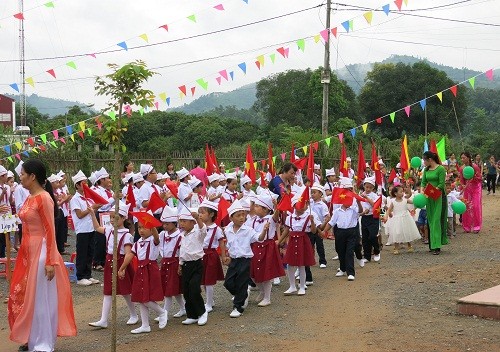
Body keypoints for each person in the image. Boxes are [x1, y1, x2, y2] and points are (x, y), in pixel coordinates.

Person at [8, 159, 76, 352]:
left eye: (22, 174)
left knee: (39, 298)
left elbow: (50, 231)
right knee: (25, 295)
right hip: (27, 251)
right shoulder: (30, 198)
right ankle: (32, 337)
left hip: (42, 250)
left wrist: (51, 260)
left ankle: (43, 342)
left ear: (32, 176)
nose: (20, 177)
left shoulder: (44, 198)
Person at [88, 202, 138, 328]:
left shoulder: (126, 235)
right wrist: (92, 215)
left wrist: (122, 268)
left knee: (126, 291)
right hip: (110, 262)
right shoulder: (109, 231)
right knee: (108, 291)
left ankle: (134, 314)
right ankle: (103, 319)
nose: (111, 220)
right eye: (110, 217)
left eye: (114, 217)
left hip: (121, 263)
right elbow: (97, 228)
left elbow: (128, 254)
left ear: (123, 218)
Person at [223, 200, 268, 317]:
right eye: (238, 215)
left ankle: (238, 307)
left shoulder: (248, 230)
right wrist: (227, 256)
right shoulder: (228, 230)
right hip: (234, 260)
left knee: (241, 282)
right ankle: (242, 295)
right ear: (231, 217)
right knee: (228, 283)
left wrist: (264, 230)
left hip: (245, 260)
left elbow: (259, 238)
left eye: (243, 215)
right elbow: (229, 245)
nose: (242, 218)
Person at [128, 214, 167, 334]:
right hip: (140, 269)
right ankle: (145, 324)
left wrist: (152, 225)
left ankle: (161, 312)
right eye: (139, 228)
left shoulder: (153, 240)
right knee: (141, 297)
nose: (141, 230)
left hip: (150, 268)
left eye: (145, 227)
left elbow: (156, 237)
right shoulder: (138, 242)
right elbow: (130, 254)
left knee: (146, 298)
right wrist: (122, 268)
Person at [278, 193, 319, 296]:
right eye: (300, 204)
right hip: (292, 240)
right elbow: (287, 230)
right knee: (290, 264)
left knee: (301, 264)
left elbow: (313, 232)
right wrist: (279, 241)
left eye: (305, 204)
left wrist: (312, 222)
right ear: (294, 205)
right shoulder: (290, 217)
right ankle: (292, 286)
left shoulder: (308, 217)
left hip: (303, 240)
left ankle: (302, 286)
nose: (303, 206)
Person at [250, 195, 285, 306]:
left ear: (265, 209)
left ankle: (267, 297)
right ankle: (262, 291)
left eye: (257, 206)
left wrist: (276, 205)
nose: (254, 208)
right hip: (256, 246)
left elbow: (276, 214)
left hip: (267, 247)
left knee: (266, 273)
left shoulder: (270, 218)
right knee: (254, 273)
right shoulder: (253, 220)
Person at [178, 207, 209, 326]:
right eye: (181, 221)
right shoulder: (183, 235)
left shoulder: (197, 232)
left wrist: (197, 218)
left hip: (196, 264)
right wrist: (180, 265)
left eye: (184, 221)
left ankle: (202, 312)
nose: (182, 224)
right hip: (185, 264)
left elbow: (203, 230)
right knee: (186, 290)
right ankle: (192, 314)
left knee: (194, 288)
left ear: (192, 222)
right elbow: (182, 251)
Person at [70, 170, 101, 286]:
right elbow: (79, 215)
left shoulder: (88, 197)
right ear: (77, 185)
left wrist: (96, 207)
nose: (86, 185)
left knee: (90, 252)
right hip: (82, 229)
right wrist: (91, 208)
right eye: (83, 183)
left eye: (86, 182)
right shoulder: (75, 199)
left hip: (91, 227)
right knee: (82, 253)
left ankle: (88, 275)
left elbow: (92, 212)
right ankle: (80, 276)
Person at [323, 194, 363, 281]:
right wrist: (324, 231)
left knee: (349, 252)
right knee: (340, 251)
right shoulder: (337, 211)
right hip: (340, 232)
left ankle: (351, 273)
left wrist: (359, 202)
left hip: (351, 232)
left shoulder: (353, 210)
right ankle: (342, 268)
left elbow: (360, 210)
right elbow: (331, 222)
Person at [198, 200, 226, 313]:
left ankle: (209, 303)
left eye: (202, 212)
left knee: (209, 280)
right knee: (204, 280)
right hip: (200, 255)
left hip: (211, 255)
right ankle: (210, 301)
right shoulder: (199, 227)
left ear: (211, 214)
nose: (200, 215)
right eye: (199, 212)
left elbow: (221, 243)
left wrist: (223, 256)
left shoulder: (216, 229)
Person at [158, 206, 186, 319]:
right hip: (165, 263)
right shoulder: (162, 235)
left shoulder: (180, 236)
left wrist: (180, 265)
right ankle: (183, 308)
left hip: (175, 263)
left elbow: (182, 252)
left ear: (175, 223)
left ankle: (164, 313)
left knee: (170, 290)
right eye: (163, 223)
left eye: (167, 224)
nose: (164, 226)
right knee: (172, 289)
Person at [421, 151, 448, 254]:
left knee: (436, 220)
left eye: (424, 160)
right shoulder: (426, 170)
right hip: (429, 198)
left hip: (439, 197)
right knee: (430, 220)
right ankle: (432, 245)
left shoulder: (440, 169)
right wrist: (422, 192)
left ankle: (437, 246)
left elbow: (441, 184)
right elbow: (423, 182)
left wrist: (433, 191)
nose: (424, 162)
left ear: (430, 159)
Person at [384, 185, 420, 254]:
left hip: (406, 217)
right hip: (397, 219)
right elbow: (389, 210)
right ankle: (396, 247)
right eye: (401, 192)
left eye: (403, 191)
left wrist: (418, 200)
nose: (402, 193)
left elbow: (413, 202)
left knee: (407, 231)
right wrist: (386, 216)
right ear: (395, 193)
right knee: (397, 233)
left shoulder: (405, 200)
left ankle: (409, 245)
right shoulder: (393, 202)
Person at [459, 152, 482, 233]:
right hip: (467, 189)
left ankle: (477, 226)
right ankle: (466, 226)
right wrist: (462, 186)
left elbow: (480, 178)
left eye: (464, 157)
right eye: (461, 158)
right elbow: (461, 180)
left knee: (476, 206)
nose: (462, 159)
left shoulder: (475, 167)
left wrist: (473, 177)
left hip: (476, 188)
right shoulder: (461, 168)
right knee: (467, 206)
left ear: (468, 158)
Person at [360, 177, 381, 263]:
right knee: (365, 238)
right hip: (364, 218)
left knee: (372, 236)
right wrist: (362, 212)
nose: (368, 189)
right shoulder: (360, 195)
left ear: (373, 188)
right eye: (366, 187)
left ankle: (377, 252)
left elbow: (375, 205)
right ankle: (367, 256)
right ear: (364, 186)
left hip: (373, 218)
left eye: (370, 187)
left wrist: (367, 198)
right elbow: (359, 207)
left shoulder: (375, 196)